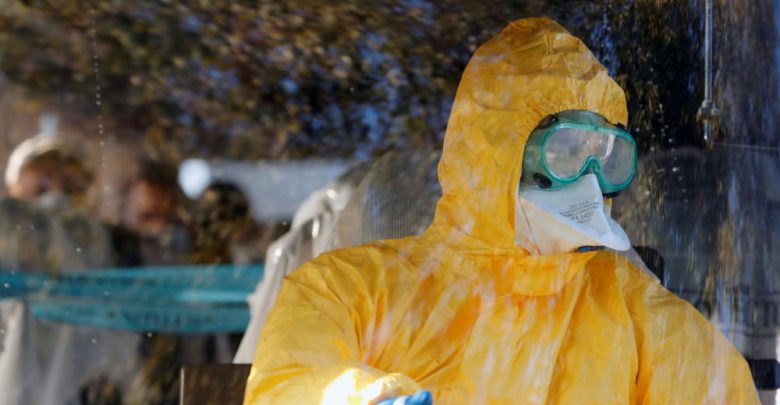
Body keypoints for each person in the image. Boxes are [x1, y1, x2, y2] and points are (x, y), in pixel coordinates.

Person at [243, 18, 758, 404]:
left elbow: (717, 389)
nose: (589, 181)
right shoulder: (347, 290)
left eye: (606, 157)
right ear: (496, 151)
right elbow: (294, 379)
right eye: (566, 151)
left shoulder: (640, 317)